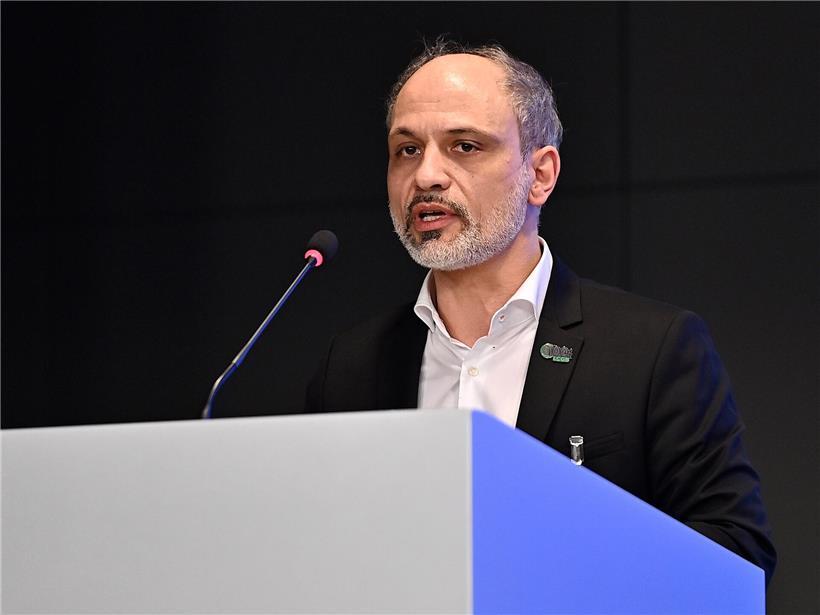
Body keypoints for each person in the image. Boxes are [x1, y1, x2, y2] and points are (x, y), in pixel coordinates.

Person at [305, 38, 776, 583]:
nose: (427, 176)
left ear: (541, 174)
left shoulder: (651, 350)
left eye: (464, 146)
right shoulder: (353, 366)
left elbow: (737, 556)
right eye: (407, 150)